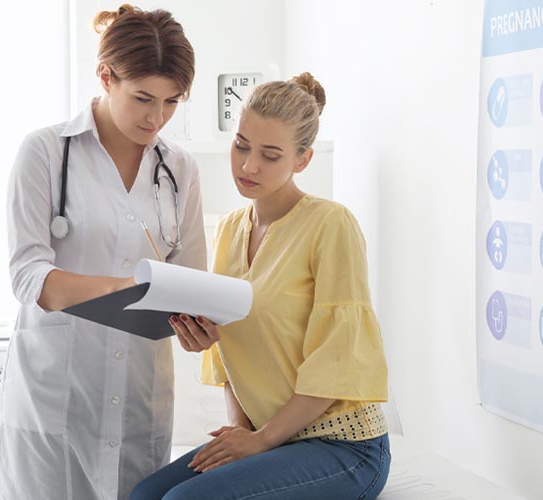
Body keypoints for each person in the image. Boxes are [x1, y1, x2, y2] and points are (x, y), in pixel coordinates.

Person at [131, 73, 391, 500]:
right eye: (241, 145)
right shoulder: (231, 229)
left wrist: (263, 441)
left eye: (271, 155)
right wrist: (239, 431)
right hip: (271, 438)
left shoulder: (331, 224)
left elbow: (338, 360)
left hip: (344, 447)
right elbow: (230, 345)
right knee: (145, 494)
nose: (249, 165)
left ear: (302, 160)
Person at [0, 5, 206, 500]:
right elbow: (29, 276)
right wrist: (127, 291)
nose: (156, 117)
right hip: (55, 402)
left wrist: (198, 325)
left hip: (140, 402)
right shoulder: (46, 152)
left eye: (172, 101)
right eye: (142, 98)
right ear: (105, 76)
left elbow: (191, 280)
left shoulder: (180, 169)